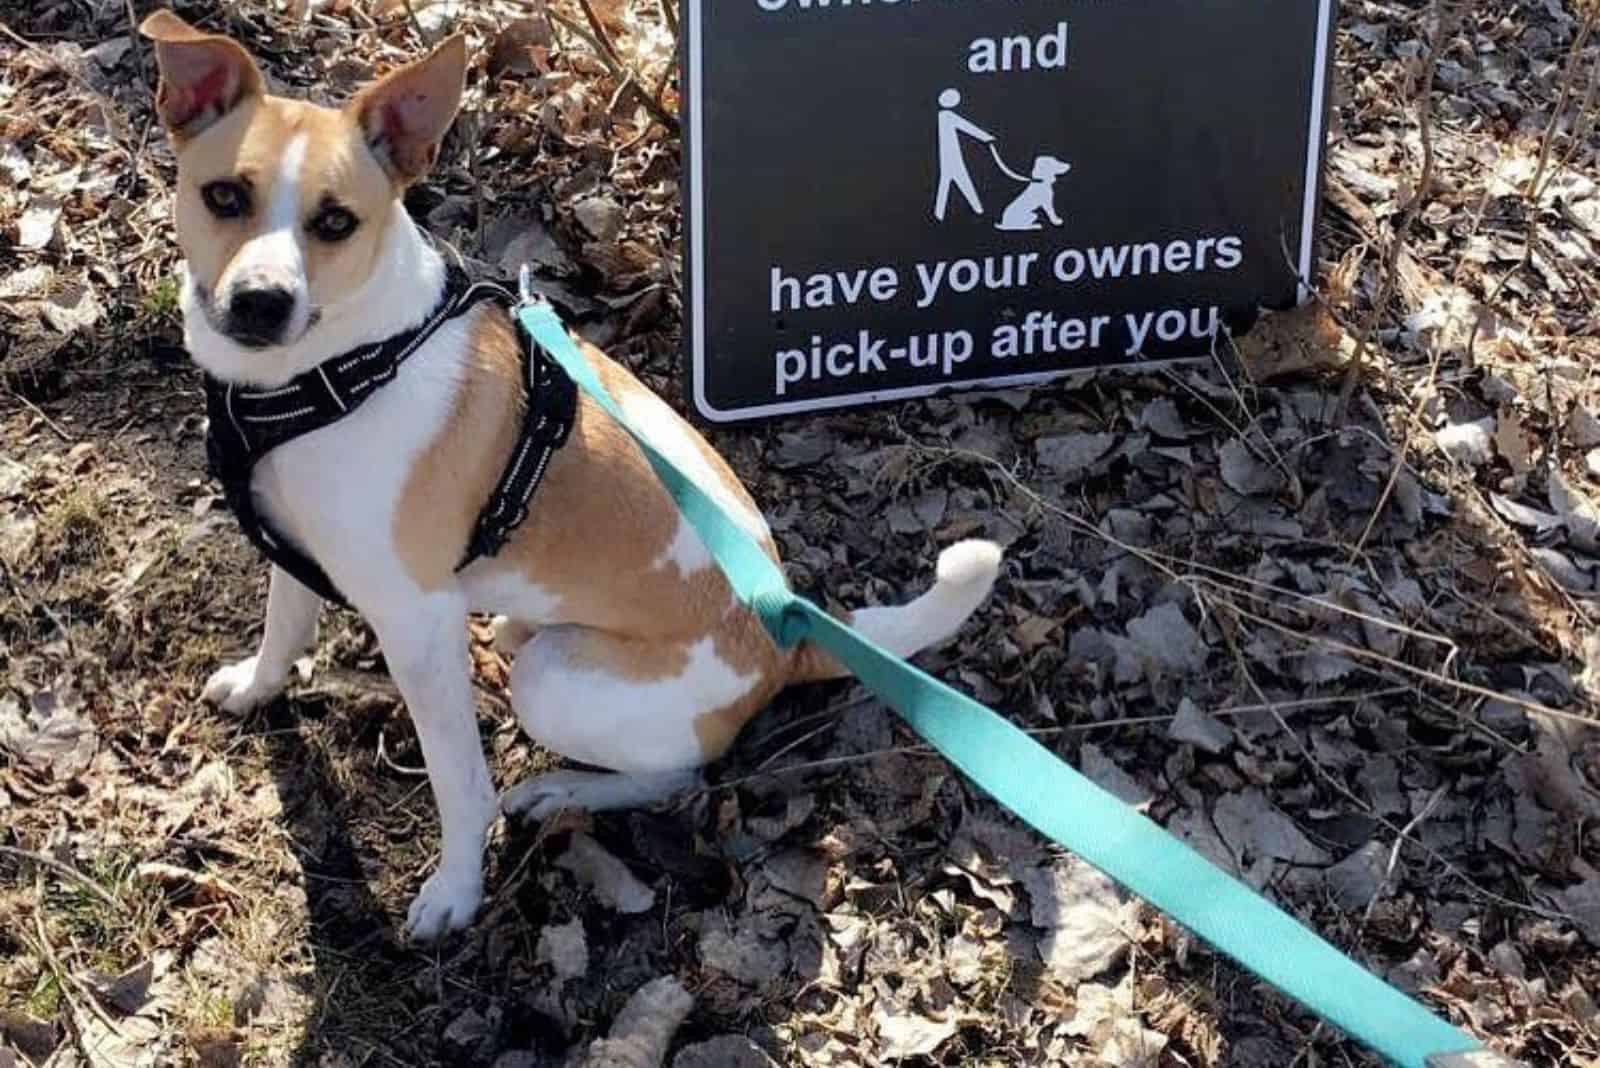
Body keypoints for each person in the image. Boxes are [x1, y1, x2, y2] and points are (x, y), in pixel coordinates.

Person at [933, 88, 996, 221]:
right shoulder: (947, 116)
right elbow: (966, 127)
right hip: (951, 158)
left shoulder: (944, 115)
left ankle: (939, 214)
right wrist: (986, 137)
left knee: (949, 184)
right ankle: (978, 210)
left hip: (950, 158)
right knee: (959, 182)